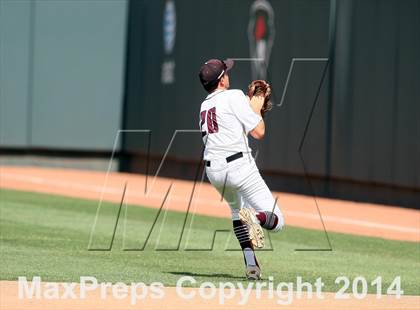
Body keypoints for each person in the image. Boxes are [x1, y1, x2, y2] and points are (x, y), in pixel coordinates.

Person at [198, 58, 285, 280]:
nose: (228, 74)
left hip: (214, 171)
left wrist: (250, 107)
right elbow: (259, 132)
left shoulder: (205, 105)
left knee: (237, 212)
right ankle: (255, 217)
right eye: (225, 71)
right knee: (277, 221)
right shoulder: (234, 95)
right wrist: (256, 107)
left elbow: (233, 129)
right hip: (238, 166)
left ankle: (251, 266)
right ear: (221, 80)